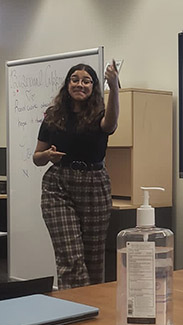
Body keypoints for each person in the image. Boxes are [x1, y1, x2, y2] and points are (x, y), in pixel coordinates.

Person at [33, 62, 119, 289]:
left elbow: (110, 125)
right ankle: (74, 311)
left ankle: (91, 313)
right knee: (70, 258)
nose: (80, 84)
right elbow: (36, 158)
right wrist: (47, 154)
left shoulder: (100, 113)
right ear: (67, 84)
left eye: (86, 81)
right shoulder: (53, 116)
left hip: (94, 184)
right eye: (75, 79)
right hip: (58, 186)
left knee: (93, 260)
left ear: (93, 87)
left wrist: (114, 87)